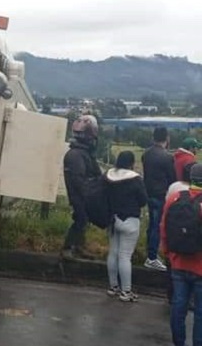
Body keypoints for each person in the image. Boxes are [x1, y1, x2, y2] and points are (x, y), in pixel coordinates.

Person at [161, 163, 202, 346]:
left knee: (178, 308)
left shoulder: (174, 198)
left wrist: (168, 253)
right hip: (200, 267)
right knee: (200, 316)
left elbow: (163, 226)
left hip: (178, 264)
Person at [104, 150, 148, 302]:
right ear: (131, 163)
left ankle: (113, 287)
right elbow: (143, 200)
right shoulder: (135, 179)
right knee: (125, 256)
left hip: (112, 220)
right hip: (130, 221)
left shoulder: (108, 176)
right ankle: (126, 291)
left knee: (113, 253)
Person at [61, 114, 102, 260]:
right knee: (81, 219)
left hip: (82, 193)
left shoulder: (82, 153)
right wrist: (90, 193)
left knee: (83, 219)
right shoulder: (77, 154)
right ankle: (68, 247)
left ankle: (78, 246)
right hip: (80, 194)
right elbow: (78, 180)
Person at [142, 126, 177, 271]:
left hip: (148, 193)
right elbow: (172, 178)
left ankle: (150, 253)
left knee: (152, 225)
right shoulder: (167, 157)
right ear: (167, 138)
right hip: (161, 195)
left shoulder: (146, 154)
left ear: (153, 137)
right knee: (157, 226)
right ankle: (152, 257)